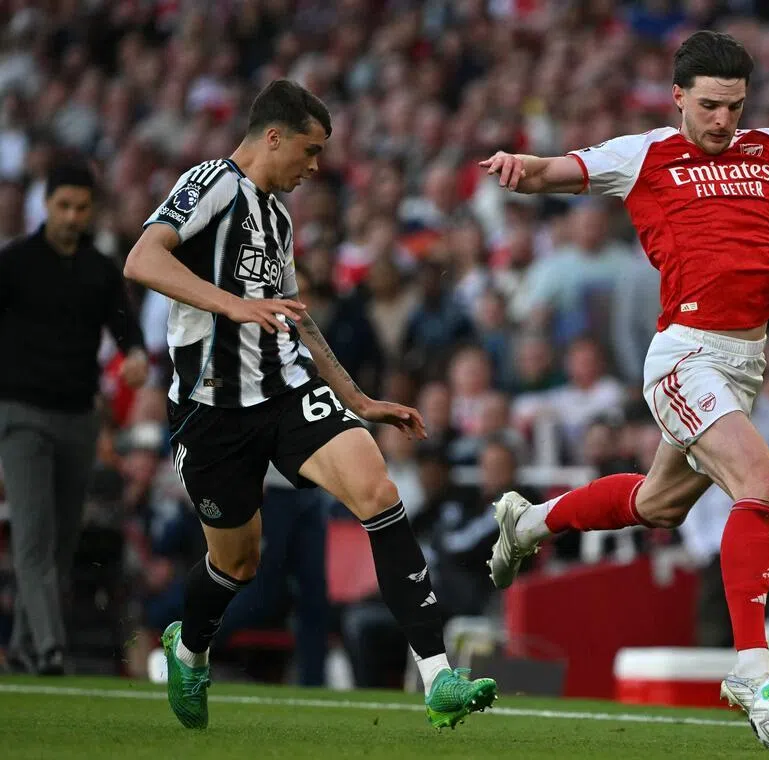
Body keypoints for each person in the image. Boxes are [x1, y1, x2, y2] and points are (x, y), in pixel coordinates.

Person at [478, 30, 769, 713]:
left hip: (745, 360)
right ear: (678, 99)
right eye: (711, 105)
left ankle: (530, 523)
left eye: (735, 106)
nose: (724, 120)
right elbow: (556, 172)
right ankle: (752, 666)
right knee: (763, 480)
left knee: (660, 505)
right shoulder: (646, 153)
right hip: (686, 355)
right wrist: (521, 164)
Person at [123, 80, 495, 730]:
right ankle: (190, 650)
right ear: (274, 136)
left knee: (379, 491)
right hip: (211, 414)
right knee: (238, 561)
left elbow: (297, 320)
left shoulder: (278, 217)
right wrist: (235, 305)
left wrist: (358, 398)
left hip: (286, 391)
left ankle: (437, 677)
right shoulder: (212, 181)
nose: (316, 166)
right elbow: (141, 258)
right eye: (311, 149)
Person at [0, 161, 148, 675]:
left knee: (59, 542)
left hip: (79, 418)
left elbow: (128, 329)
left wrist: (135, 356)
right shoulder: (14, 263)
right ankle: (50, 647)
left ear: (90, 210)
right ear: (46, 204)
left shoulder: (101, 270)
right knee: (34, 534)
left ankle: (22, 646)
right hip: (21, 415)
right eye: (63, 206)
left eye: (80, 208)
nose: (70, 216)